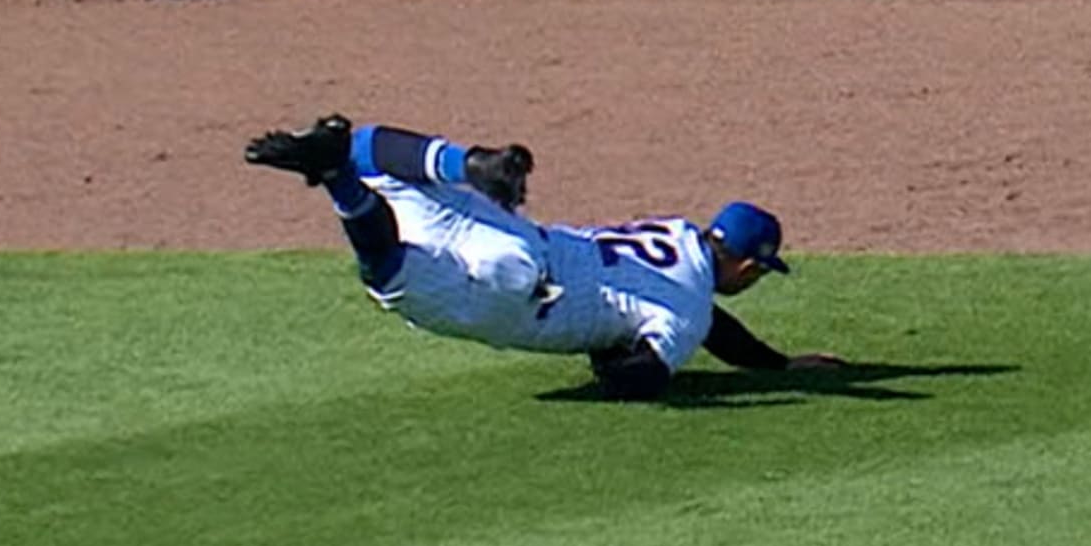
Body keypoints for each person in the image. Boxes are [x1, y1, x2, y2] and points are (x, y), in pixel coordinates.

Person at [243, 113, 837, 393]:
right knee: (389, 273)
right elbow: (642, 378)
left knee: (365, 150)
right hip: (518, 296)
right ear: (750, 265)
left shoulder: (677, 232)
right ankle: (335, 182)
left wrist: (776, 364)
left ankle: (465, 163)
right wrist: (608, 361)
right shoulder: (688, 313)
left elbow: (706, 315)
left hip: (514, 234)